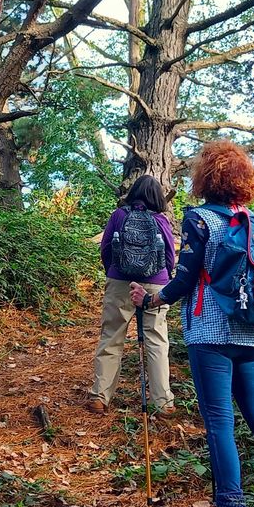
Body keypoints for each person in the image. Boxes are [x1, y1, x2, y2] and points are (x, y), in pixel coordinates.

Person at [129, 141, 254, 507]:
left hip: (212, 333)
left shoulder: (201, 220)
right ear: (246, 181)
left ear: (205, 179)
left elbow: (185, 277)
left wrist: (153, 299)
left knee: (220, 423)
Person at [87, 174, 176, 419]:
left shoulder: (119, 216)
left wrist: (114, 273)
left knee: (111, 337)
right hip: (155, 284)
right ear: (158, 196)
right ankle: (163, 402)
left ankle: (99, 397)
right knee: (156, 340)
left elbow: (105, 249)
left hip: (120, 282)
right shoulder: (161, 220)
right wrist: (163, 277)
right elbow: (169, 255)